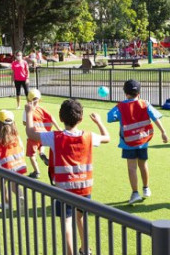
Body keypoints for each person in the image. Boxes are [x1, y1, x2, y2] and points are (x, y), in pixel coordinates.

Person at [25, 99, 110, 255]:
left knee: (66, 221)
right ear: (81, 118)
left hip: (63, 189)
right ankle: (85, 249)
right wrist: (99, 122)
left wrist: (29, 113)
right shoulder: (89, 136)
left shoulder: (54, 137)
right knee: (81, 217)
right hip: (84, 188)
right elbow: (107, 137)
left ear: (61, 118)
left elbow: (31, 133)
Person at [107, 79, 169, 204]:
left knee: (131, 168)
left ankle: (135, 193)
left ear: (125, 93)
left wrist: (118, 107)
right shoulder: (145, 104)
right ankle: (146, 188)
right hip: (143, 141)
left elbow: (109, 117)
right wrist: (163, 132)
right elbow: (155, 117)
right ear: (139, 93)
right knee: (143, 164)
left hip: (127, 143)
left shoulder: (121, 106)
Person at [22, 88, 59, 179]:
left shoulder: (27, 110)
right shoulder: (41, 109)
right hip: (42, 133)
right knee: (41, 144)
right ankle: (42, 153)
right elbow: (51, 118)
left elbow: (24, 122)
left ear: (28, 99)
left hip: (33, 134)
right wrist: (59, 128)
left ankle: (36, 171)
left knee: (31, 155)